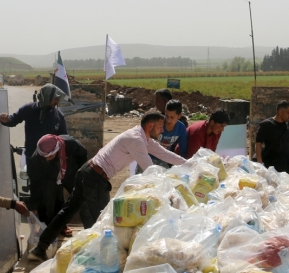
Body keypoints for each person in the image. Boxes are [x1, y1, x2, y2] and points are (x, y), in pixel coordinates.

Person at [29, 111, 187, 261]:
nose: (162, 130)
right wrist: (168, 189)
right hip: (95, 178)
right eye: (160, 126)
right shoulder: (136, 140)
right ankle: (99, 259)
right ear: (150, 126)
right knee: (106, 221)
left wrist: (190, 164)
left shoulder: (142, 138)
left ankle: (40, 249)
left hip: (88, 172)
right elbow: (150, 170)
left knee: (69, 213)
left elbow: (165, 154)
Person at [29, 134, 93, 234]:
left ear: (56, 149)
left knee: (82, 200)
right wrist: (34, 205)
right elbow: (35, 182)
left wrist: (81, 174)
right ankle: (50, 231)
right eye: (44, 157)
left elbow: (83, 156)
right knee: (47, 203)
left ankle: (91, 230)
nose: (46, 159)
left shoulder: (71, 144)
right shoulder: (36, 158)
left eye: (50, 156)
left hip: (71, 174)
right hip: (50, 177)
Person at [0, 83, 70, 158]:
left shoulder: (59, 116)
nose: (57, 101)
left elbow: (63, 136)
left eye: (58, 99)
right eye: (55, 98)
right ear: (47, 97)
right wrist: (5, 120)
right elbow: (13, 120)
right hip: (31, 156)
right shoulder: (28, 109)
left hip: (51, 158)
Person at [255, 100, 289, 179]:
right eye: (288, 113)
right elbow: (258, 144)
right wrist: (260, 163)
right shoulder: (266, 125)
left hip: (288, 164)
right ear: (280, 112)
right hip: (273, 165)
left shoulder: (288, 125)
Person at [151, 99, 188, 166]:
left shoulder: (181, 128)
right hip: (149, 158)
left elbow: (183, 150)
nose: (168, 120)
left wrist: (184, 165)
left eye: (172, 117)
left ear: (179, 116)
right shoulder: (157, 124)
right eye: (167, 116)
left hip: (164, 160)